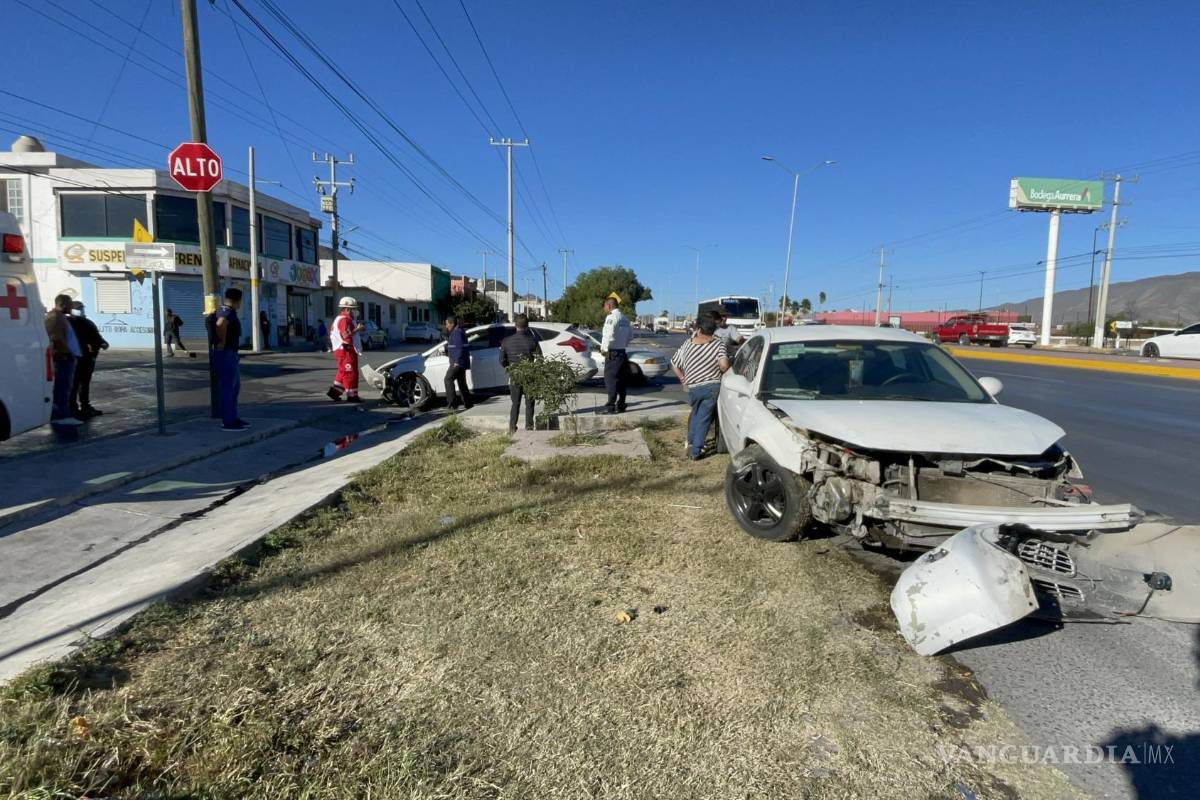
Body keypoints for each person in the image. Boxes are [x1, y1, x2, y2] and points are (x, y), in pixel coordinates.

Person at [670, 314, 730, 460]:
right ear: (713, 329)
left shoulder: (687, 343)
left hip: (693, 387)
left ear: (699, 329)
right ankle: (695, 452)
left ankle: (690, 441)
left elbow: (674, 363)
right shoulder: (719, 344)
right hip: (712, 386)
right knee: (704, 418)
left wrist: (683, 378)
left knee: (696, 413)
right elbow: (723, 365)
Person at [207, 287, 248, 431]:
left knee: (234, 387)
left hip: (229, 353)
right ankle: (228, 422)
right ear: (237, 301)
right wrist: (222, 342)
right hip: (226, 353)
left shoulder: (224, 310)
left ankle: (233, 418)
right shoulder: (227, 312)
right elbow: (220, 323)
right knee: (228, 388)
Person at [44, 293, 82, 426]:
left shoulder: (60, 317)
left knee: (65, 387)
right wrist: (66, 353)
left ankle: (62, 413)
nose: (72, 307)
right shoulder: (55, 318)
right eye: (70, 304)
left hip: (65, 357)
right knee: (62, 387)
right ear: (62, 304)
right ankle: (61, 416)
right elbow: (55, 338)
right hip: (62, 358)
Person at [499, 314, 541, 433]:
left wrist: (509, 368)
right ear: (527, 326)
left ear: (515, 325)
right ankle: (529, 426)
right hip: (530, 375)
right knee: (530, 402)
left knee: (515, 403)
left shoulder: (506, 341)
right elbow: (540, 359)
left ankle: (512, 427)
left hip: (514, 375)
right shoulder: (533, 340)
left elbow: (501, 360)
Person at [68, 301, 108, 418]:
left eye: (81, 308)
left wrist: (102, 343)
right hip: (78, 358)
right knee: (76, 384)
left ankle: (81, 407)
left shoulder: (85, 322)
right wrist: (101, 343)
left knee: (81, 384)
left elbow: (97, 337)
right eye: (78, 308)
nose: (80, 310)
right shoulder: (68, 323)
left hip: (85, 358)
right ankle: (75, 407)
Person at [326, 297, 365, 403]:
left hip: (343, 349)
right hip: (346, 349)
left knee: (343, 371)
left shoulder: (343, 318)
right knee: (350, 372)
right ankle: (352, 395)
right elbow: (346, 335)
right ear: (347, 309)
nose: (355, 311)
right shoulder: (344, 319)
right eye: (354, 309)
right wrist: (358, 329)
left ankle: (334, 392)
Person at [598, 295, 632, 414]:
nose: (604, 308)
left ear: (609, 305)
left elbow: (608, 335)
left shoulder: (611, 317)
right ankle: (621, 404)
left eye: (604, 306)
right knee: (622, 380)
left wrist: (604, 349)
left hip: (613, 353)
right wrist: (622, 344)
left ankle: (610, 407)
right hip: (622, 352)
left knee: (610, 380)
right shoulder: (625, 319)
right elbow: (630, 336)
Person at [443, 315, 473, 410]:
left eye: (447, 324)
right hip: (461, 362)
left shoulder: (456, 333)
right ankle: (468, 403)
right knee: (462, 383)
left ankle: (452, 404)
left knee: (448, 379)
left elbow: (459, 347)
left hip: (458, 362)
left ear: (452, 324)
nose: (446, 326)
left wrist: (456, 361)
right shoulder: (459, 331)